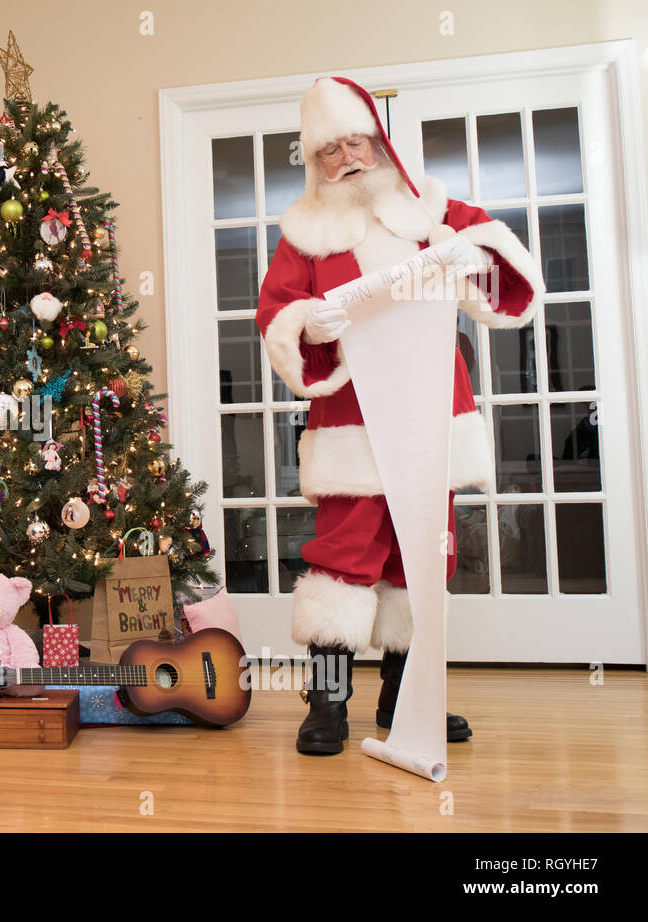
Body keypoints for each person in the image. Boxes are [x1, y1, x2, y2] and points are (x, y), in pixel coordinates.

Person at [256, 77, 545, 755]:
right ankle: (327, 703)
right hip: (351, 424)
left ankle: (405, 696)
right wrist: (311, 324)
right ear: (314, 160)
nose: (348, 158)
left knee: (423, 553)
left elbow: (505, 271)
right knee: (343, 557)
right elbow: (277, 316)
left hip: (428, 415)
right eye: (331, 150)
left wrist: (474, 254)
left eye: (357, 141)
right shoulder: (303, 237)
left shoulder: (431, 210)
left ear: (379, 143)